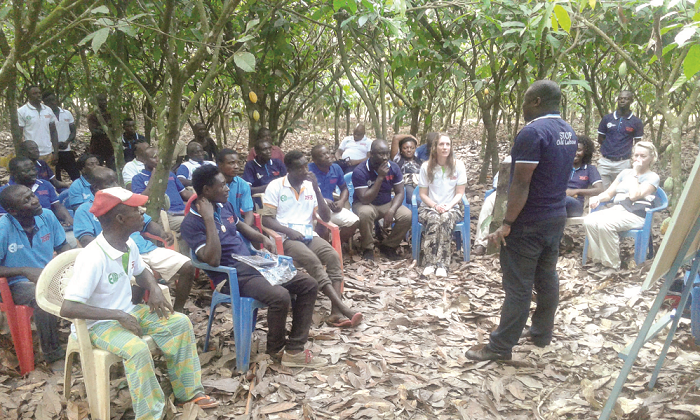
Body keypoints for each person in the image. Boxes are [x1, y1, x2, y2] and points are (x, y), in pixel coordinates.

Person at [61, 187, 219, 418]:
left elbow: (141, 271)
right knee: (137, 349)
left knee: (179, 323)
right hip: (98, 325)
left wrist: (154, 288)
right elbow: (69, 307)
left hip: (128, 312)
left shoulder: (129, 244)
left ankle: (189, 392)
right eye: (136, 211)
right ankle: (151, 413)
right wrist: (118, 315)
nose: (143, 214)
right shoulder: (93, 257)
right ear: (121, 218)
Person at [466, 80, 577, 361]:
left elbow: (520, 184)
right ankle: (541, 333)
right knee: (547, 276)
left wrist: (506, 222)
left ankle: (500, 347)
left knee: (518, 286)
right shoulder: (568, 131)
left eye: (526, 101)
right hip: (555, 216)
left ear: (537, 101)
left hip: (530, 221)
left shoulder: (533, 132)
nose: (523, 107)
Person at [181, 165, 328, 368]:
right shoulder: (191, 223)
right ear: (206, 190)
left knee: (308, 284)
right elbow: (212, 260)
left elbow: (241, 227)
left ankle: (294, 349)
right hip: (229, 277)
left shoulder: (225, 207)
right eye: (222, 185)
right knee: (280, 296)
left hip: (254, 267)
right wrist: (208, 219)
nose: (227, 189)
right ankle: (275, 350)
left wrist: (262, 239)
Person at [262, 151, 362, 328]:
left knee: (333, 256)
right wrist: (288, 231)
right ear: (289, 169)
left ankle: (335, 312)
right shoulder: (275, 186)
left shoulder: (309, 186)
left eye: (305, 166)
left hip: (309, 235)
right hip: (286, 238)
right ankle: (342, 307)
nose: (305, 170)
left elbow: (324, 216)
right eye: (300, 167)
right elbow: (266, 219)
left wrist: (316, 188)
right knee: (312, 261)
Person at [74, 167, 196, 312]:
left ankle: (178, 310)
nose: (115, 186)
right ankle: (131, 310)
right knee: (142, 275)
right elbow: (86, 239)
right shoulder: (85, 210)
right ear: (96, 188)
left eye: (115, 181)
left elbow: (147, 223)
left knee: (188, 266)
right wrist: (109, 253)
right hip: (117, 256)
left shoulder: (126, 203)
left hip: (145, 249)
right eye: (109, 183)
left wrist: (162, 233)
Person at [0, 185, 72, 364]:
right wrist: (24, 270)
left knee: (84, 282)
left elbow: (62, 246)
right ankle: (52, 354)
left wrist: (70, 264)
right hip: (14, 284)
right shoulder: (3, 228)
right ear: (12, 211)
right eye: (26, 200)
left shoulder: (47, 216)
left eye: (31, 195)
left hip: (48, 275)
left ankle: (88, 336)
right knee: (42, 296)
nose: (34, 200)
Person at [583, 141, 660, 277]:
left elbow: (634, 196)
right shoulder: (624, 173)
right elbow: (609, 193)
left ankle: (611, 265)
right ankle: (599, 262)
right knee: (589, 220)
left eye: (643, 156)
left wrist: (635, 175)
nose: (638, 159)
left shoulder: (652, 177)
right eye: (636, 155)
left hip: (636, 214)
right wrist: (598, 198)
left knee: (605, 224)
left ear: (651, 159)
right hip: (617, 210)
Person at [417, 134, 468, 277]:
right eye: (441, 144)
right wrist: (435, 206)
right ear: (434, 147)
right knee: (434, 219)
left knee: (445, 218)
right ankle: (430, 262)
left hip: (452, 207)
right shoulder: (426, 167)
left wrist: (448, 206)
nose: (445, 147)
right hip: (429, 207)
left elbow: (460, 193)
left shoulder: (459, 166)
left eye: (447, 144)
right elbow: (423, 194)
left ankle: (442, 264)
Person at [352, 140, 412, 261]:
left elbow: (400, 192)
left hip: (386, 202)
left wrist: (392, 210)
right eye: (381, 154)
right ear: (371, 154)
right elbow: (364, 198)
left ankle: (389, 246)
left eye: (387, 153)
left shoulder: (393, 167)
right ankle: (367, 248)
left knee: (407, 215)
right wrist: (380, 177)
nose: (385, 158)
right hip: (365, 203)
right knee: (366, 213)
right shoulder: (360, 171)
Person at [131, 147, 193, 248]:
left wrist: (201, 196)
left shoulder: (170, 174)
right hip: (165, 215)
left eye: (159, 156)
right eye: (153, 157)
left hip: (182, 211)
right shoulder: (138, 178)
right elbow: (141, 200)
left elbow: (184, 193)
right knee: (192, 223)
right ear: (144, 160)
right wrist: (154, 178)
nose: (158, 160)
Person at [0, 157, 73, 226]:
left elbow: (57, 206)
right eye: (27, 171)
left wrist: (68, 219)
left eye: (33, 169)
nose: (33, 173)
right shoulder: (4, 192)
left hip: (49, 225)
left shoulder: (45, 184)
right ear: (14, 173)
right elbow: (4, 220)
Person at [308, 145, 359, 243]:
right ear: (314, 160)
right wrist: (323, 200)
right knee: (323, 228)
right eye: (323, 155)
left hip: (331, 208)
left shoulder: (336, 168)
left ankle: (335, 245)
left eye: (328, 153)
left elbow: (344, 188)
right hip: (313, 210)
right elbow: (303, 193)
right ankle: (325, 250)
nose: (328, 156)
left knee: (354, 221)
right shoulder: (309, 171)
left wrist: (341, 201)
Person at [597, 90, 644, 189]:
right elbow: (601, 138)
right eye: (620, 98)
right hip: (605, 162)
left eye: (626, 99)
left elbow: (637, 143)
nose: (622, 101)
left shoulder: (636, 122)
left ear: (631, 101)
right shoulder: (607, 118)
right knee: (601, 191)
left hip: (623, 163)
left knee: (621, 191)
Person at [473, 156, 511, 256]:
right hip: (504, 191)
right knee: (489, 202)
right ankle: (481, 243)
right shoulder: (509, 160)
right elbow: (497, 181)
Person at [42, 91, 80, 181]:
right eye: (48, 101)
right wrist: (54, 144)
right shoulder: (44, 115)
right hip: (52, 152)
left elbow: (73, 131)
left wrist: (67, 142)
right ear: (44, 103)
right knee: (56, 177)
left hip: (66, 150)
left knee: (75, 175)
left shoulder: (67, 113)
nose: (52, 103)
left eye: (53, 100)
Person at [17, 85, 58, 167]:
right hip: (31, 155)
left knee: (50, 178)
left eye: (39, 93)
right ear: (28, 96)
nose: (38, 95)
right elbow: (19, 135)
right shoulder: (22, 111)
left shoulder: (48, 110)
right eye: (34, 93)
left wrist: (56, 152)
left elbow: (53, 131)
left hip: (48, 153)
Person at [566, 135, 604, 217]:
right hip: (558, 202)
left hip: (576, 205)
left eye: (579, 150)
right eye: (572, 149)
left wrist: (576, 191)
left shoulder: (590, 169)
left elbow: (599, 190)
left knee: (564, 200)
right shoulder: (562, 166)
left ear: (585, 152)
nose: (575, 153)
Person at [216, 148, 255, 226]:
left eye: (238, 163)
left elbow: (248, 213)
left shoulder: (243, 184)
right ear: (220, 165)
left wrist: (246, 231)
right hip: (217, 225)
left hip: (237, 225)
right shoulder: (211, 184)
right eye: (231, 163)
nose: (236, 167)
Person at [87, 93, 115, 169]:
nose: (104, 102)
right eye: (101, 100)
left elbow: (115, 129)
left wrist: (102, 129)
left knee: (112, 167)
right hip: (97, 147)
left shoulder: (110, 115)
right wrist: (107, 130)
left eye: (105, 100)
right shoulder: (92, 115)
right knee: (96, 168)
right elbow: (94, 131)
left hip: (109, 146)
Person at [391, 135, 423, 201]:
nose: (409, 150)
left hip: (420, 186)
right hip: (406, 187)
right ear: (401, 149)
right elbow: (396, 138)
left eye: (412, 148)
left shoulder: (419, 161)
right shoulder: (397, 159)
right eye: (405, 148)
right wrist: (411, 136)